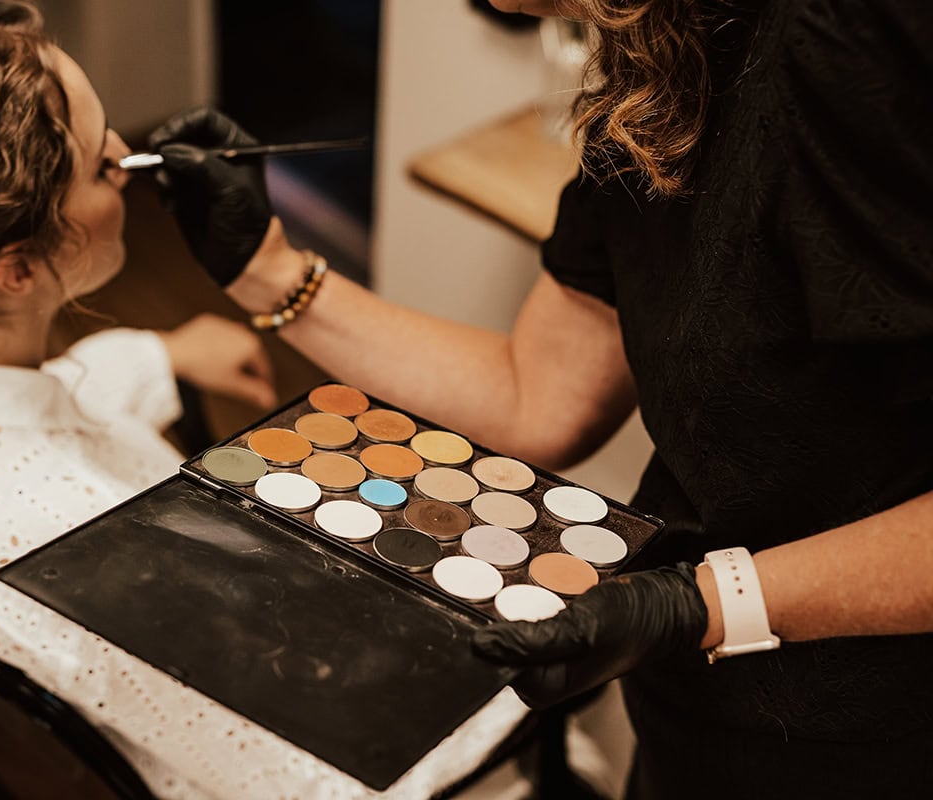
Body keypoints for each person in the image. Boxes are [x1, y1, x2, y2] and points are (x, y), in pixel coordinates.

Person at [147, 1, 933, 797]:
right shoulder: (659, 59)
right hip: (704, 712)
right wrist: (266, 268)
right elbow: (539, 395)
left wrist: (702, 602)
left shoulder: (855, 39)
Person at [0, 5, 534, 798]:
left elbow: (44, 400)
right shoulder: (82, 553)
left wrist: (158, 354)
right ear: (18, 271)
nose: (132, 157)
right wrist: (531, 684)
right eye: (103, 166)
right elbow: (312, 780)